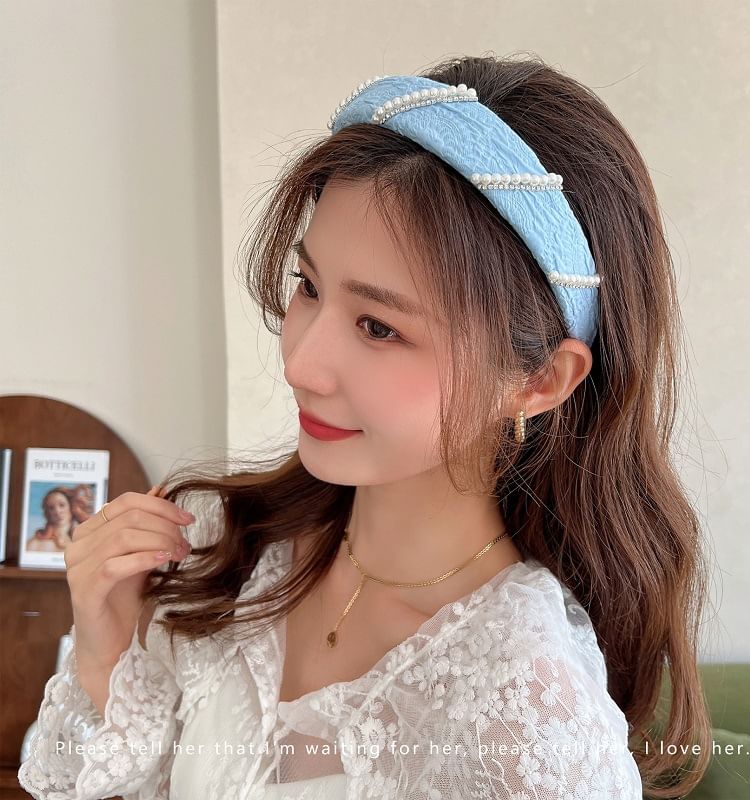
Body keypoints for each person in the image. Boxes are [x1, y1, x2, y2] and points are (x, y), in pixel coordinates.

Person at [19, 53, 713, 799]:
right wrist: (105, 652)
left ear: (538, 380)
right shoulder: (218, 546)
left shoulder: (531, 717)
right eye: (308, 286)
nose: (301, 365)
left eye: (379, 327)